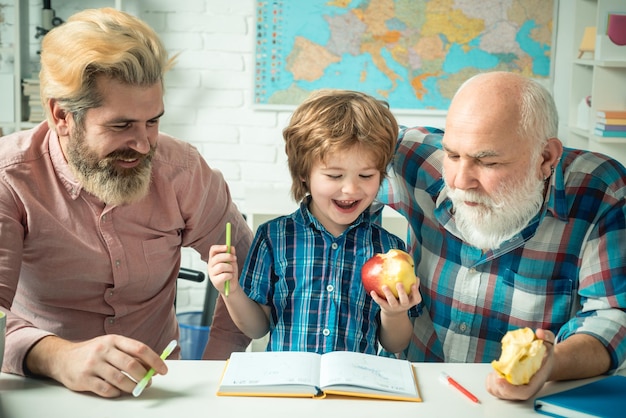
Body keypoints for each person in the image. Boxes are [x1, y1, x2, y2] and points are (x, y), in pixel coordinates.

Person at [205, 71, 626, 401]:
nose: (460, 180)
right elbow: (338, 140)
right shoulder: (411, 157)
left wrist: (548, 364)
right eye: (454, 154)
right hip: (419, 390)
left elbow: (613, 318)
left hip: (519, 399)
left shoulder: (601, 191)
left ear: (546, 158)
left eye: (487, 162)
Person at [0, 8, 252, 398]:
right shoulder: (10, 177)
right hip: (40, 392)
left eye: (152, 121)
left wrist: (214, 372)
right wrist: (57, 357)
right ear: (61, 115)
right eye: (121, 126)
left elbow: (249, 271)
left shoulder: (183, 170)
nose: (144, 144)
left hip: (160, 394)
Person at [206, 89, 421, 356]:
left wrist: (394, 312)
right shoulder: (273, 237)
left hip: (353, 389)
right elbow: (256, 329)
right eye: (334, 176)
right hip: (288, 386)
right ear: (304, 173)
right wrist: (231, 290)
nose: (351, 189)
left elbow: (394, 344)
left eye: (366, 175)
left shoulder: (389, 248)